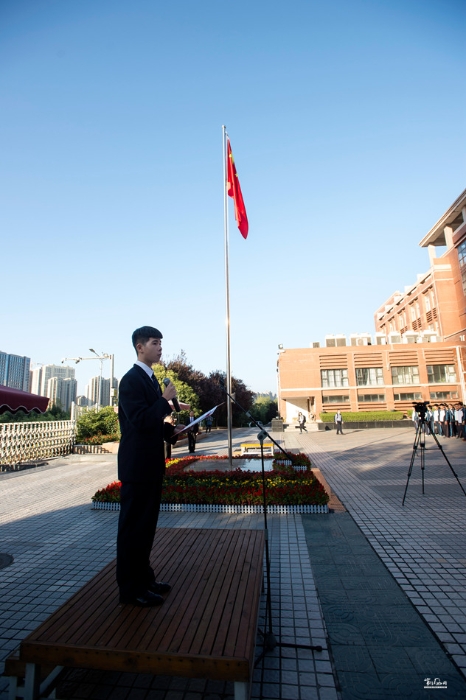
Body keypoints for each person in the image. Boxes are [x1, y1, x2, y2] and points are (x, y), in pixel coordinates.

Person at [116, 326, 184, 607]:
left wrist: (174, 431)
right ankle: (130, 590)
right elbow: (140, 421)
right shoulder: (130, 380)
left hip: (151, 465)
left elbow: (153, 423)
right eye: (155, 343)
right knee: (133, 529)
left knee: (147, 527)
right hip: (137, 467)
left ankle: (145, 578)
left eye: (161, 343)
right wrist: (165, 400)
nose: (160, 348)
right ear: (139, 346)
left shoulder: (151, 379)